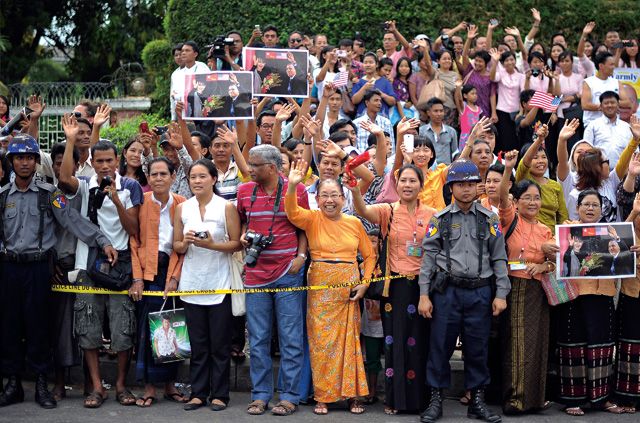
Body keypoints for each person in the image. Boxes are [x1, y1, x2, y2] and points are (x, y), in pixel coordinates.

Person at [0, 134, 116, 410]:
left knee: (39, 325)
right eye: (19, 158)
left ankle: (42, 382)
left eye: (30, 157)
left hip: (39, 268)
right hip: (8, 268)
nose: (25, 163)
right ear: (12, 162)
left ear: (35, 162)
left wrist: (103, 241)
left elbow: (73, 221)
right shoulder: (2, 196)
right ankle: (13, 383)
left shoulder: (49, 193)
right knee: (9, 326)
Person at [418, 158, 509, 423]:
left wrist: (501, 294)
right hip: (447, 292)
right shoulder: (440, 219)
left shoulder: (489, 219)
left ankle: (477, 401)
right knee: (440, 346)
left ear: (478, 187)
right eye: (460, 184)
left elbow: (499, 258)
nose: (466, 189)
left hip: (480, 292)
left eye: (471, 184)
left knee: (477, 348)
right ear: (451, 188)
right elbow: (428, 259)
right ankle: (435, 401)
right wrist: (424, 295)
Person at [285, 160, 374, 415]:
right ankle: (323, 396)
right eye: (324, 195)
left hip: (349, 287)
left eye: (335, 194)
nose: (330, 200)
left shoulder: (354, 223)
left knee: (351, 342)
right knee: (321, 343)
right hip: (320, 284)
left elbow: (368, 256)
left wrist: (365, 283)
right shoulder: (312, 219)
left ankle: (353, 395)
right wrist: (292, 187)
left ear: (343, 197)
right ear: (317, 198)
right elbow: (292, 213)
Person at [59, 139, 143, 409]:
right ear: (92, 162)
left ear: (117, 161)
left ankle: (120, 384)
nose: (105, 165)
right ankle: (97, 387)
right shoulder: (84, 185)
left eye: (110, 160)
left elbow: (133, 229)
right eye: (100, 161)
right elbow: (64, 179)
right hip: (88, 265)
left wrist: (116, 199)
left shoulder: (130, 186)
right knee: (88, 329)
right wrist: (71, 138)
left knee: (122, 330)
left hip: (120, 267)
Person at [351, 163, 436, 414]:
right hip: (395, 287)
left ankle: (421, 401)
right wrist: (355, 191)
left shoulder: (433, 214)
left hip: (423, 286)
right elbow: (363, 210)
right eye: (403, 181)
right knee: (395, 343)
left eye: (413, 181)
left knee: (420, 343)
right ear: (396, 185)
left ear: (421, 186)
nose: (407, 185)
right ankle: (395, 400)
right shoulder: (388, 210)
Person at [237, 145, 308, 416]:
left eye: (254, 165)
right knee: (258, 339)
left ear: (271, 167)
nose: (249, 169)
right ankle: (261, 395)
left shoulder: (296, 189)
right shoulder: (245, 191)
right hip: (256, 275)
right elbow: (243, 221)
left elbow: (304, 225)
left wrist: (300, 256)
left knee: (290, 338)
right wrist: (244, 236)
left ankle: (289, 396)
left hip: (288, 273)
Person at [173, 158, 242, 411]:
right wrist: (188, 241)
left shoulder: (226, 207)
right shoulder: (183, 208)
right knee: (198, 344)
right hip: (191, 284)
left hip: (220, 283)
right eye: (193, 177)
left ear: (214, 179)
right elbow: (176, 245)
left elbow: (236, 243)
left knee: (220, 344)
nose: (197, 181)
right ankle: (198, 393)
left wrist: (211, 244)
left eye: (203, 176)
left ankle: (220, 394)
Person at [555, 189, 625, 416]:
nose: (590, 208)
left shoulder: (610, 230)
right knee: (573, 343)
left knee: (602, 345)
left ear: (601, 209)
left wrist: (626, 247)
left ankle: (601, 398)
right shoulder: (568, 228)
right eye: (586, 204)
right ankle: (573, 398)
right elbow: (555, 249)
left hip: (602, 294)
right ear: (578, 207)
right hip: (574, 295)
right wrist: (552, 247)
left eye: (595, 205)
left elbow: (622, 253)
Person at [498, 150, 556, 414]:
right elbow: (501, 197)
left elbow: (556, 264)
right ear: (517, 201)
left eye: (536, 198)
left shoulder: (546, 229)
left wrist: (543, 264)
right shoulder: (511, 219)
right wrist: (508, 168)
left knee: (537, 343)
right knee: (517, 343)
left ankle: (533, 399)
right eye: (527, 198)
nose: (532, 202)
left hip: (538, 290)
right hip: (515, 287)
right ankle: (515, 399)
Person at [130, 157, 187, 407]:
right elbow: (134, 241)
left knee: (173, 328)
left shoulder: (183, 204)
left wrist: (174, 278)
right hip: (148, 272)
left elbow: (184, 247)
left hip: (174, 270)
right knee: (149, 331)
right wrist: (138, 278)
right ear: (148, 177)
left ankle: (170, 385)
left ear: (173, 177)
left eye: (164, 174)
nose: (159, 178)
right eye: (154, 174)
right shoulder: (141, 203)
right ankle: (150, 387)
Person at [614, 191, 640, 412]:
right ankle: (628, 395)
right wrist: (634, 212)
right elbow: (617, 237)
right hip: (633, 287)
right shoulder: (638, 200)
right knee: (630, 340)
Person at [515, 124, 568, 230]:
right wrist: (539, 140)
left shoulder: (555, 185)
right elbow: (525, 162)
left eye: (544, 157)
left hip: (552, 238)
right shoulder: (523, 179)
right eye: (535, 157)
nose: (541, 161)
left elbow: (563, 217)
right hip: (528, 235)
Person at [583, 91, 632, 169]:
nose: (609, 105)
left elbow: (635, 152)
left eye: (612, 102)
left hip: (624, 173)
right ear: (600, 107)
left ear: (618, 105)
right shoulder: (592, 125)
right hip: (599, 173)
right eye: (606, 103)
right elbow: (586, 150)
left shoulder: (627, 127)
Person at [582, 51, 632, 127]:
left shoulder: (616, 82)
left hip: (614, 124)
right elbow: (585, 105)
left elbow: (627, 103)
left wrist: (608, 106)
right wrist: (608, 106)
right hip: (593, 124)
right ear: (601, 66)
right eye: (611, 65)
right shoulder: (588, 82)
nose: (613, 67)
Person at [489, 49, 525, 153]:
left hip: (516, 112)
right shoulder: (501, 73)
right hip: (502, 111)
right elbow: (492, 77)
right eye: (506, 60)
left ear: (515, 60)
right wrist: (495, 61)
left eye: (512, 59)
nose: (510, 62)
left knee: (515, 139)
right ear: (503, 63)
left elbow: (522, 95)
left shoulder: (520, 76)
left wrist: (521, 112)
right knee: (505, 139)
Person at [461, 25, 497, 118]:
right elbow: (464, 56)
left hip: (485, 111)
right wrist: (469, 39)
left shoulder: (490, 76)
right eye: (476, 60)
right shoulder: (470, 70)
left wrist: (494, 112)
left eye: (480, 61)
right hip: (468, 112)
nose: (477, 63)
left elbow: (492, 95)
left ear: (486, 63)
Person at [351, 53, 396, 118]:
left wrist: (381, 94)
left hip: (381, 120)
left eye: (371, 62)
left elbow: (393, 102)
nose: (368, 65)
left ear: (377, 64)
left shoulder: (385, 82)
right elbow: (354, 101)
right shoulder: (359, 82)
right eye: (365, 62)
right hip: (362, 121)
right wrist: (364, 88)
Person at [418, 97, 458, 165]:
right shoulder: (421, 131)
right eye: (436, 111)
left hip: (446, 170)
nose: (439, 114)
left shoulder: (451, 131)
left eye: (441, 111)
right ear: (428, 113)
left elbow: (455, 153)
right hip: (428, 169)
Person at [455, 83, 482, 150]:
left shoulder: (478, 109)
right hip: (465, 137)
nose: (475, 95)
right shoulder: (464, 106)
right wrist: (458, 87)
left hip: (476, 136)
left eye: (476, 93)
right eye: (472, 93)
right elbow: (459, 99)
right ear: (465, 95)